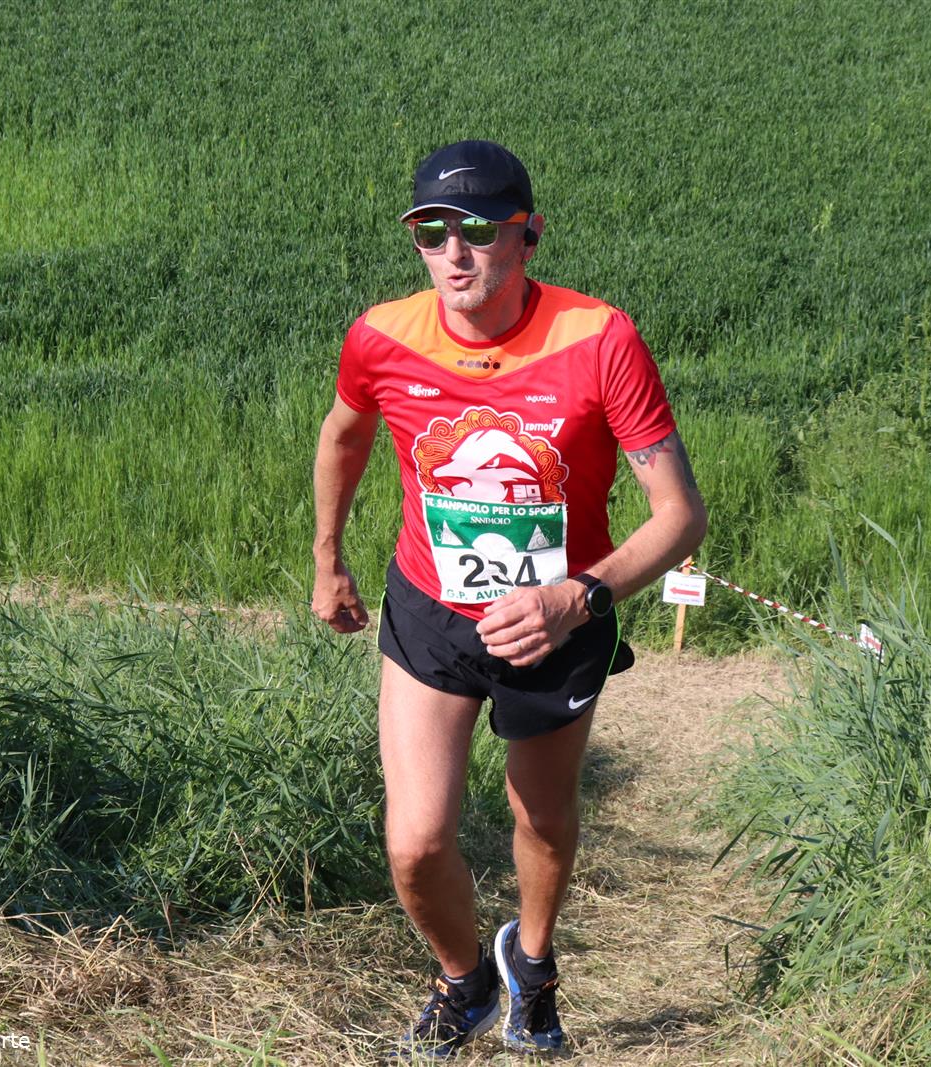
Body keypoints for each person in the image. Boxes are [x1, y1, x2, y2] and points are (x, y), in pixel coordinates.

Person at [310, 140, 707, 1057]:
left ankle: (532, 963)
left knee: (544, 819)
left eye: (481, 230)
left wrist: (577, 596)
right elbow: (343, 436)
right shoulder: (382, 336)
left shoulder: (599, 338)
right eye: (431, 232)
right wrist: (329, 558)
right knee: (414, 844)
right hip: (432, 609)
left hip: (562, 621)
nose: (455, 253)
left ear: (529, 236)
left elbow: (681, 515)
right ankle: (464, 980)